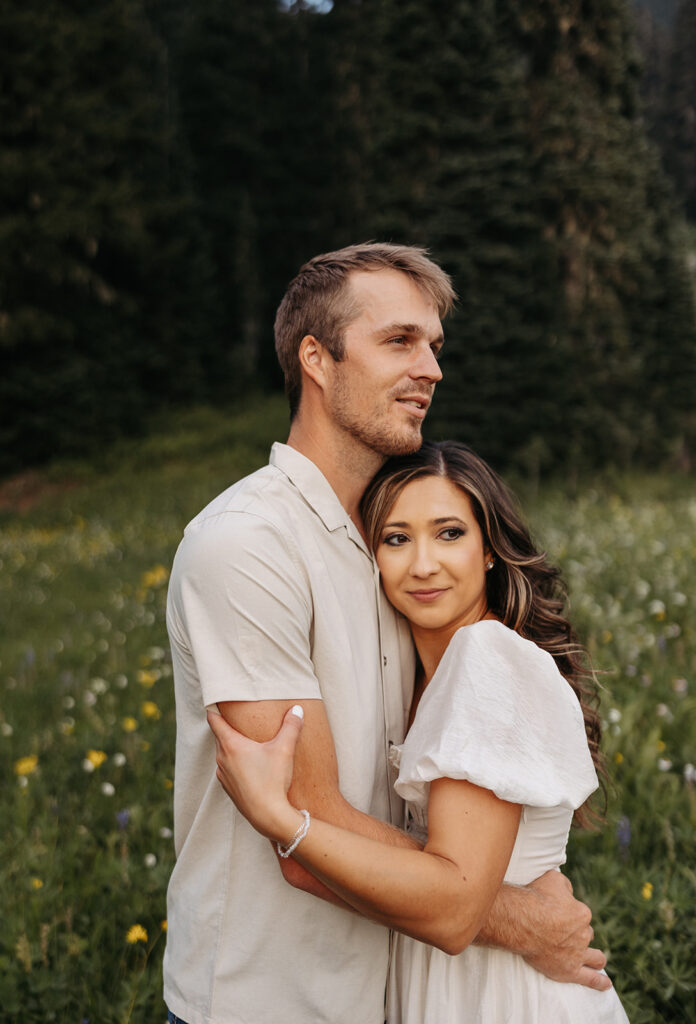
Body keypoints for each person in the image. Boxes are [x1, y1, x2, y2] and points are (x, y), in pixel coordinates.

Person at [163, 242, 610, 1024]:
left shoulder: (385, 551)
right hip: (268, 999)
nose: (432, 368)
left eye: (435, 346)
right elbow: (306, 827)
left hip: (393, 993)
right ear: (317, 358)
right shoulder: (248, 543)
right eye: (399, 341)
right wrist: (514, 916)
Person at [207, 440, 630, 1023]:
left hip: (502, 995)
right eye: (397, 538)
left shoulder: (486, 659)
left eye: (450, 533)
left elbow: (455, 898)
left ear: (489, 550)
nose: (423, 564)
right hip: (452, 977)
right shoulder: (423, 674)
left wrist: (282, 820)